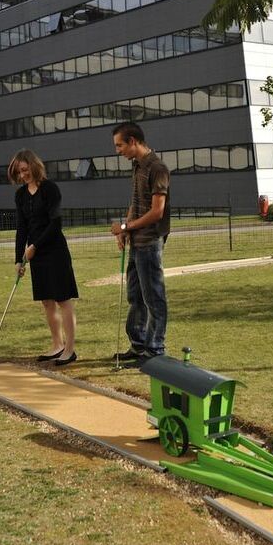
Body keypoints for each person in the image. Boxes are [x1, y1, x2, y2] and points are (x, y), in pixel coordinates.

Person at [110, 122, 170, 367]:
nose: (118, 150)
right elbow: (136, 202)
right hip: (136, 242)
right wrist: (125, 229)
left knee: (153, 297)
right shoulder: (137, 167)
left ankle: (154, 350)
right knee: (135, 296)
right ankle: (138, 345)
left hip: (149, 242)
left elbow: (157, 212)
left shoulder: (157, 168)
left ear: (133, 141)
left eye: (120, 145)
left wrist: (126, 227)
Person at [11, 149, 79, 365]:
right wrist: (18, 258)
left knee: (62, 299)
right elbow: (22, 228)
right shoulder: (20, 195)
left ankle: (70, 350)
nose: (23, 175)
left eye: (25, 169)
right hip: (35, 254)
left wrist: (34, 246)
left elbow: (55, 223)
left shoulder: (50, 189)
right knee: (47, 302)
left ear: (33, 165)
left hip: (54, 250)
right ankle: (57, 345)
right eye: (19, 172)